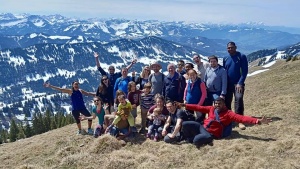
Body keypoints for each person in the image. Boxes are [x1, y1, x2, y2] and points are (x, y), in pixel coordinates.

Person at [178, 97, 272, 147]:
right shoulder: (211, 108)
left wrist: (257, 121)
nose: (217, 105)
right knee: (185, 124)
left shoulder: (228, 113)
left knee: (196, 141)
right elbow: (198, 107)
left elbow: (242, 118)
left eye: (220, 104)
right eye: (216, 103)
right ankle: (189, 137)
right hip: (202, 127)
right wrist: (185, 105)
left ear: (224, 104)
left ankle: (193, 138)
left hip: (211, 133)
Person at [223, 42, 249, 130]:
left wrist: (240, 83)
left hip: (238, 84)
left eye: (232, 47)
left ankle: (240, 120)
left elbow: (244, 71)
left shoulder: (241, 56)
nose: (230, 49)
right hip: (228, 84)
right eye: (228, 48)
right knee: (227, 102)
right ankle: (230, 118)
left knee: (238, 100)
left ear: (235, 47)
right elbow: (224, 72)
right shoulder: (225, 58)